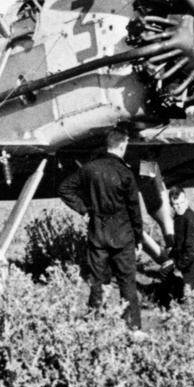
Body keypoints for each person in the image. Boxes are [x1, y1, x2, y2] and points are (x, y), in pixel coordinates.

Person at [58, 129, 148, 330]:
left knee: (98, 282)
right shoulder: (125, 172)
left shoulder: (89, 169)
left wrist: (84, 209)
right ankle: (133, 327)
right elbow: (134, 209)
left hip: (98, 232)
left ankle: (95, 324)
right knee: (127, 283)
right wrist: (139, 238)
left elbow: (64, 189)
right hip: (123, 235)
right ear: (122, 146)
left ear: (107, 145)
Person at [159, 186, 194, 304]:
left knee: (192, 300)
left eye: (181, 203)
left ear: (187, 201)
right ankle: (172, 300)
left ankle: (177, 301)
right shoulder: (180, 217)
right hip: (191, 260)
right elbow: (180, 244)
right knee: (165, 271)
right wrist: (173, 258)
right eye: (176, 204)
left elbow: (193, 250)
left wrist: (178, 267)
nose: (179, 207)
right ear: (171, 205)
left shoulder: (190, 219)